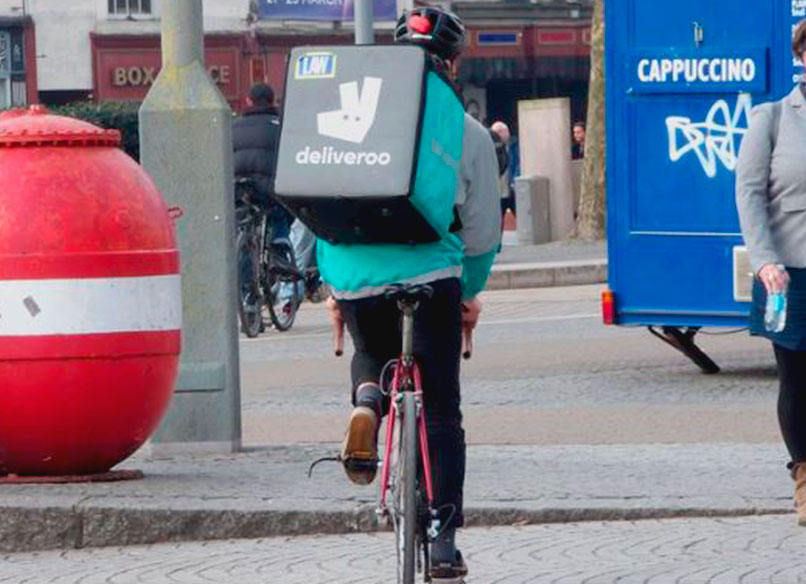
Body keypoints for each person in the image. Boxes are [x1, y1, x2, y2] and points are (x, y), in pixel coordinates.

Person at [323, 6, 501, 579]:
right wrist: (469, 293)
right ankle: (443, 539)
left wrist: (335, 284)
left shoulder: (360, 114)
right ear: (451, 63)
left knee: (370, 345)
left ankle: (368, 403)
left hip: (353, 270)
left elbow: (322, 192)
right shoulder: (467, 132)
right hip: (430, 279)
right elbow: (481, 233)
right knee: (443, 410)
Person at [735, 19, 806, 526]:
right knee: (798, 382)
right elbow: (749, 192)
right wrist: (763, 259)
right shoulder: (775, 117)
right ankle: (805, 478)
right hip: (790, 275)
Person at [232, 83, 293, 240]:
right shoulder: (283, 126)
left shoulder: (233, 127)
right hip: (271, 193)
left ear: (248, 101)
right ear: (273, 101)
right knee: (280, 220)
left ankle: (243, 252)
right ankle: (280, 253)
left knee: (241, 228)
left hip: (240, 190)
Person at [490, 120, 516, 222]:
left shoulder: (514, 146)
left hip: (512, 189)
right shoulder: (491, 147)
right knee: (497, 222)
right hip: (498, 192)